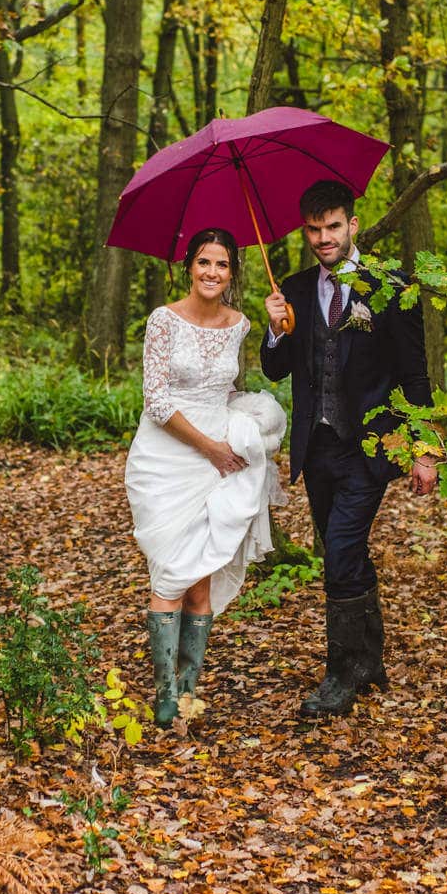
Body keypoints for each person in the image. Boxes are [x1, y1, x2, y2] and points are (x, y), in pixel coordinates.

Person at [261, 179, 436, 719]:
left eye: (332, 227)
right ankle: (370, 660)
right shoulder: (291, 289)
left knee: (337, 552)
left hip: (369, 449)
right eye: (313, 229)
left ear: (352, 225)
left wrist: (424, 450)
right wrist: (274, 330)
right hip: (317, 449)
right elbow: (276, 369)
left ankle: (340, 673)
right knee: (348, 551)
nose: (322, 238)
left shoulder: (391, 285)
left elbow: (414, 373)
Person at [124, 228, 288, 727]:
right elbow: (156, 400)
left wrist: (278, 328)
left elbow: (235, 386)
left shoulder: (239, 324)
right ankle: (164, 693)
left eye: (221, 264)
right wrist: (211, 447)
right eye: (203, 262)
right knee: (170, 571)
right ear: (189, 268)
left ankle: (190, 688)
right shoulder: (163, 321)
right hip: (167, 457)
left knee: (200, 581)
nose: (212, 272)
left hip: (218, 461)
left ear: (233, 271)